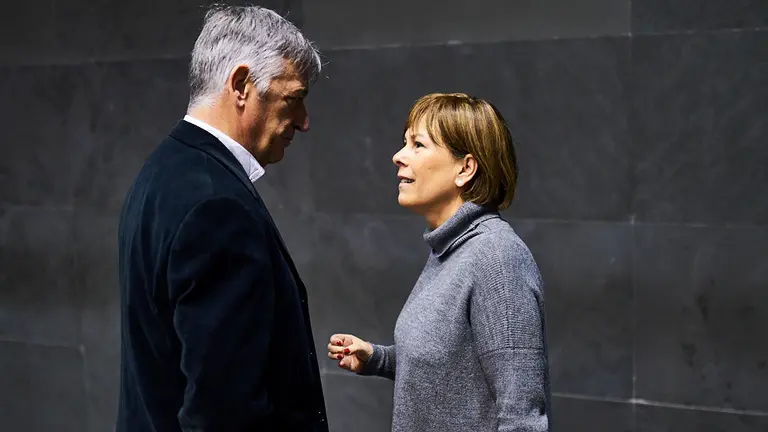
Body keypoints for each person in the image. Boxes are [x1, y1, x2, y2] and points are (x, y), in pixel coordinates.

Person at [116, 5, 328, 431]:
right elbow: (222, 412)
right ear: (241, 85)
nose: (303, 123)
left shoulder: (160, 172)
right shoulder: (218, 207)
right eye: (294, 99)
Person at [327, 93, 552, 431]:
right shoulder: (450, 249)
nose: (398, 156)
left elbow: (522, 416)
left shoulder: (497, 258)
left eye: (418, 144)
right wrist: (378, 358)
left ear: (466, 168)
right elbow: (454, 369)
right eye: (404, 142)